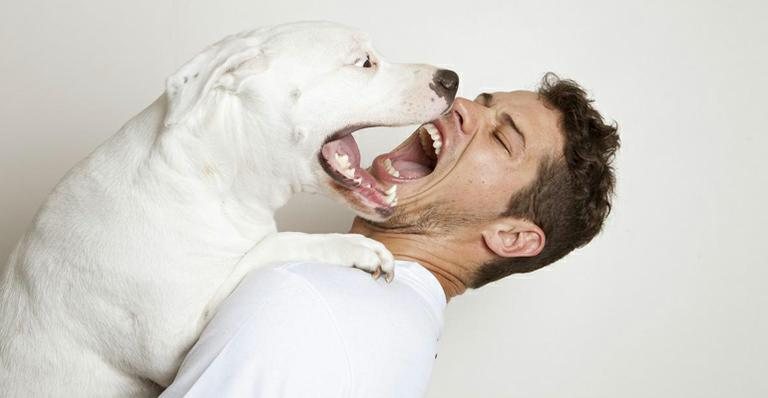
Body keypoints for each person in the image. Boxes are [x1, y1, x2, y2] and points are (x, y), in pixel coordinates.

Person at [160, 73, 620, 398]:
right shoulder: (403, 338)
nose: (460, 106)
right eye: (482, 102)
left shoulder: (305, 300)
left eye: (502, 139)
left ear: (512, 237)